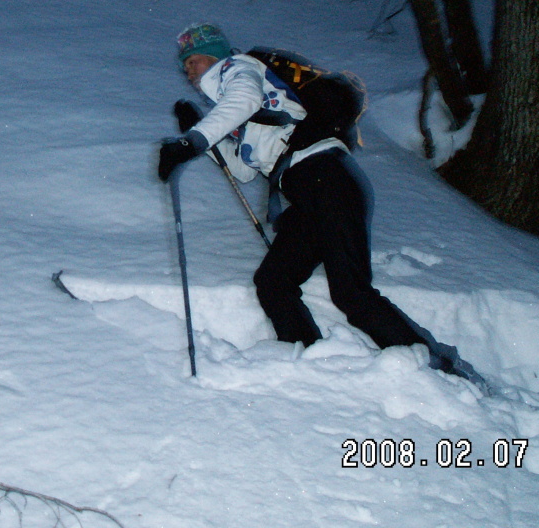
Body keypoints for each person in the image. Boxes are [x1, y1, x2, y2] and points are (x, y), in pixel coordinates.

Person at [158, 23, 460, 371]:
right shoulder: (242, 101)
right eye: (184, 65)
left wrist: (193, 140)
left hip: (326, 180)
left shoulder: (236, 69)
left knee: (352, 293)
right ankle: (307, 363)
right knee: (274, 283)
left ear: (214, 55)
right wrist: (203, 137)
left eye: (192, 60)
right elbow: (242, 170)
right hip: (311, 192)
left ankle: (436, 366)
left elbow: (244, 100)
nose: (188, 70)